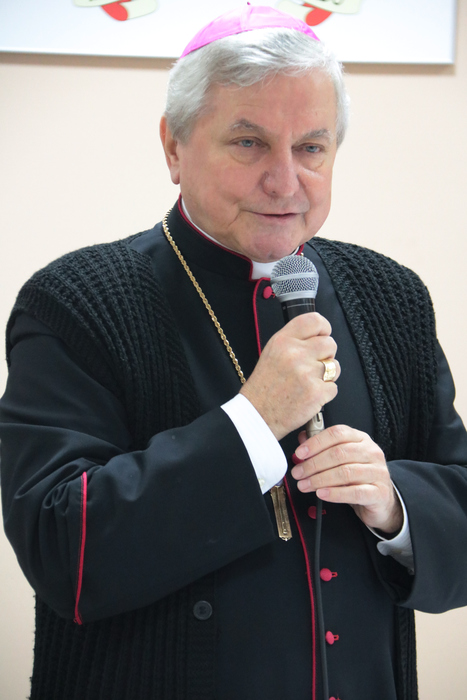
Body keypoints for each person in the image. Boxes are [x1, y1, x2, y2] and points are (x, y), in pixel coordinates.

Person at [1, 5, 467, 700]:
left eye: (311, 148)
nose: (285, 181)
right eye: (249, 143)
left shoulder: (391, 296)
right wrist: (252, 421)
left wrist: (396, 507)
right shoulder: (76, 301)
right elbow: (61, 550)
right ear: (173, 146)